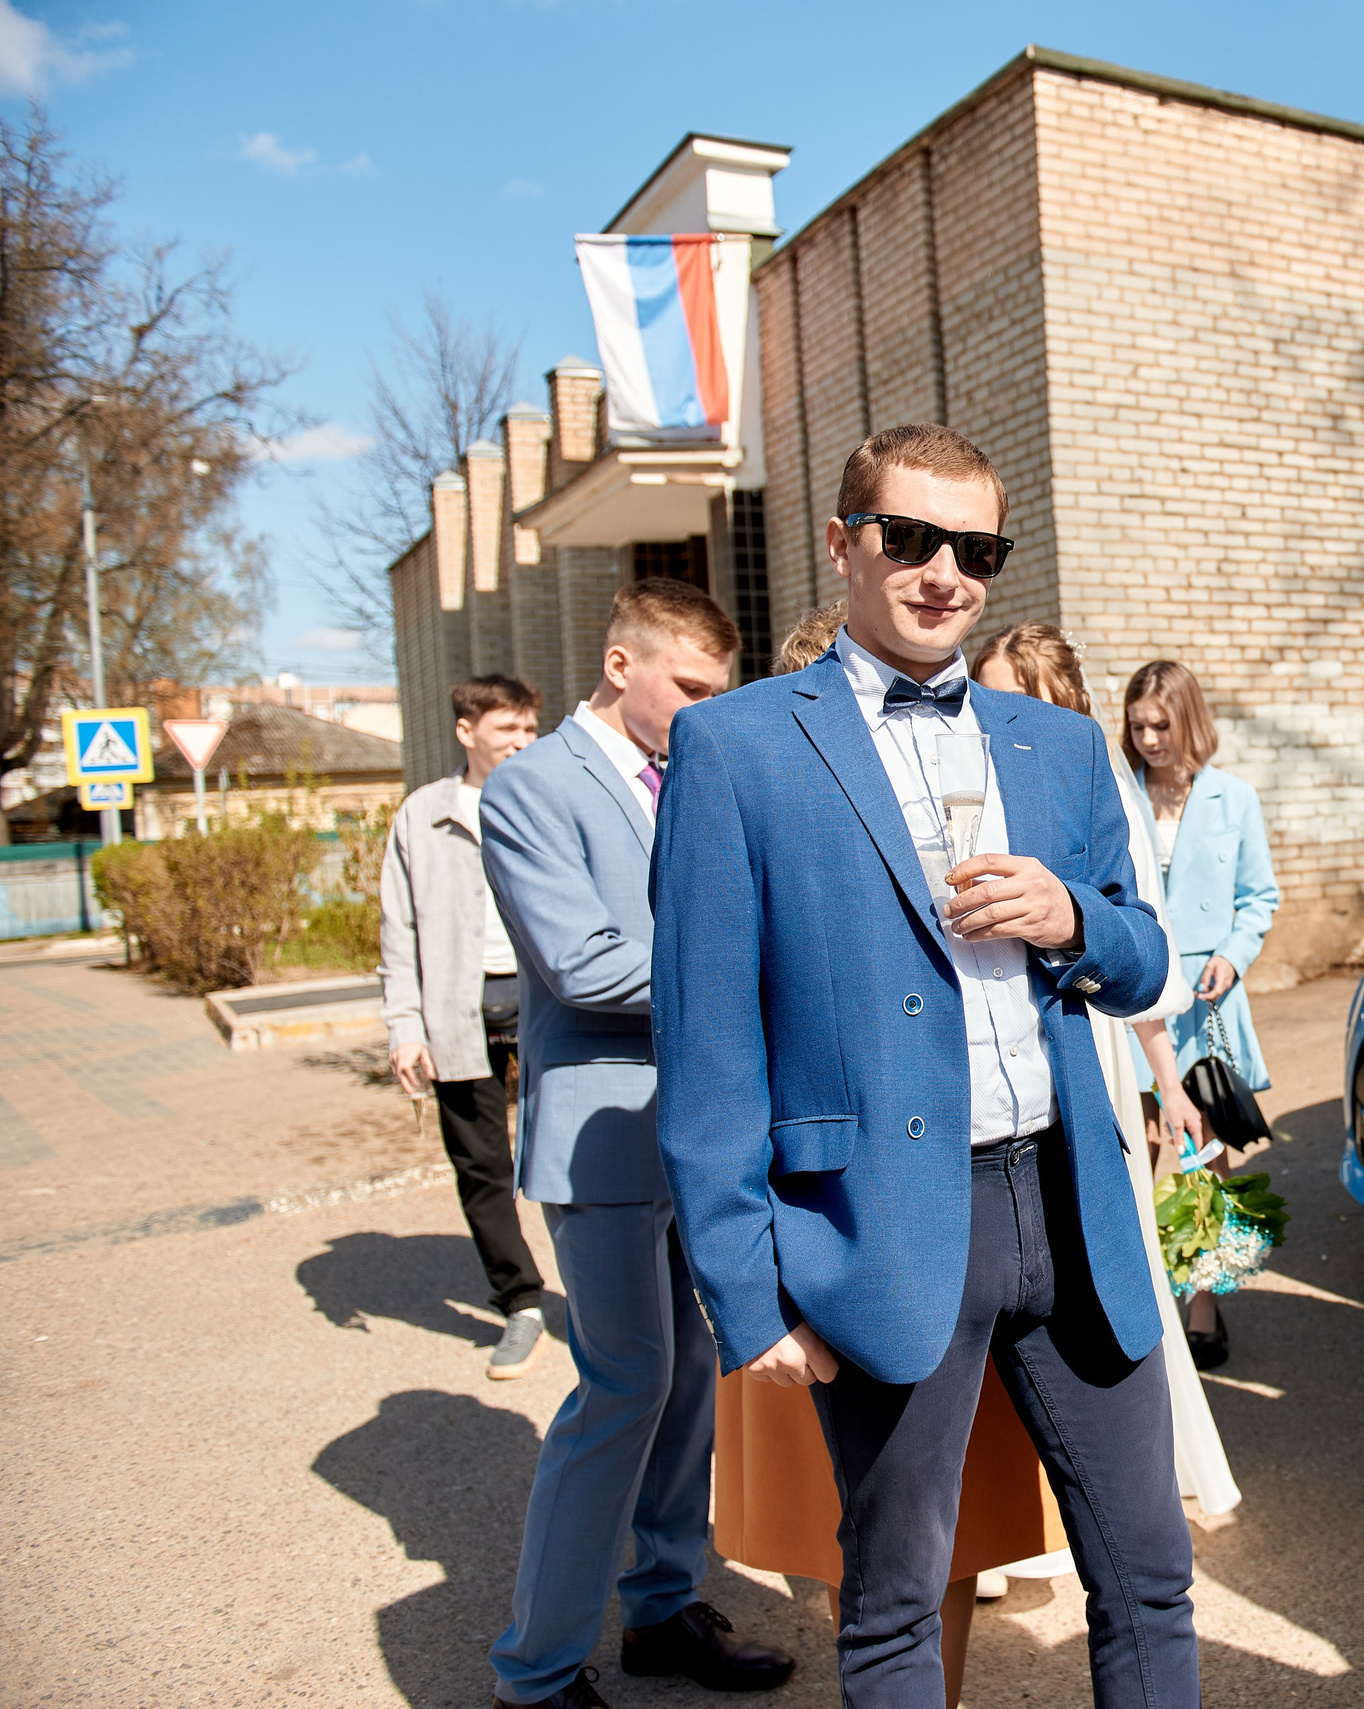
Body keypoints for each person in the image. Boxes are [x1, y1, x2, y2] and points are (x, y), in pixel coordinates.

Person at [651, 422, 1199, 1709]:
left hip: (1066, 1204)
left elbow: (1141, 955)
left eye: (976, 547)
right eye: (908, 537)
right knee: (894, 1602)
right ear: (845, 544)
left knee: (1151, 1571)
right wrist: (748, 1290)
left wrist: (1072, 914)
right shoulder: (735, 748)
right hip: (884, 1229)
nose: (942, 570)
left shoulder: (1056, 746)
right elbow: (707, 1047)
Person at [700, 604, 1074, 1709]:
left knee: (936, 1520)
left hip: (963, 1213)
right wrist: (750, 1270)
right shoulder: (748, 774)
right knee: (861, 1536)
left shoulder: (973, 784)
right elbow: (723, 1046)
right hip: (825, 1225)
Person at [479, 579, 785, 1709]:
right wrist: (755, 964)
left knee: (692, 1375)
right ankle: (537, 1671)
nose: (709, 712)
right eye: (691, 688)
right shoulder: (529, 788)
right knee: (623, 1386)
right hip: (603, 1144)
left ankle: (661, 1608)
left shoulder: (689, 774)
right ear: (621, 664)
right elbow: (580, 963)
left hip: (699, 1137)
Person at [973, 621, 1242, 1521]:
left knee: (1104, 1261)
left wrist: (1168, 1081)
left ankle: (1135, 1462)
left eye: (1003, 692)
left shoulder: (1092, 780)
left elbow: (1143, 953)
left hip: (1093, 1044)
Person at [380, 673, 549, 1380]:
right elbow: (399, 928)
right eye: (506, 728)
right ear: (466, 731)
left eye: (528, 729)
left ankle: (616, 1292)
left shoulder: (547, 795)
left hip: (545, 998)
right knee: (480, 1164)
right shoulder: (422, 815)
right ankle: (522, 1301)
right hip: (457, 1006)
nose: (520, 741)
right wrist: (404, 1027)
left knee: (576, 1149)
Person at [1123, 659, 1280, 1369]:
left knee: (1203, 1158)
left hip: (1207, 1004)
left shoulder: (1233, 798)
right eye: (1137, 725)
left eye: (1161, 723)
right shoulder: (1119, 793)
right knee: (1137, 1146)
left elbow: (1259, 897)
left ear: (1189, 721)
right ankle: (1138, 1301)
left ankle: (1203, 1304)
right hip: (1134, 997)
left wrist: (1235, 954)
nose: (1150, 738)